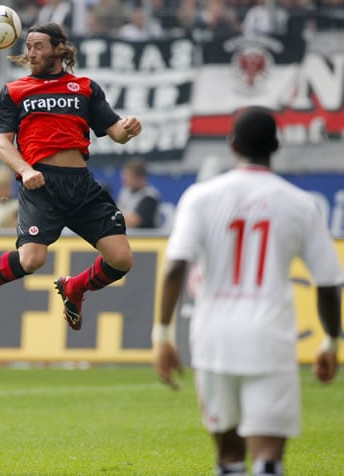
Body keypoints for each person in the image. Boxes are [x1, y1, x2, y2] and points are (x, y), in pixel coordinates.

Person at [153, 107, 342, 476]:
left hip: (213, 338)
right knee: (269, 457)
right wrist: (330, 343)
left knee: (228, 457)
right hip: (270, 338)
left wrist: (162, 334)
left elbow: (176, 265)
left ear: (232, 145)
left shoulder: (200, 197)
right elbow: (329, 284)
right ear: (276, 145)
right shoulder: (300, 204)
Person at [0, 22, 142, 331]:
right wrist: (25, 170)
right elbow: (2, 143)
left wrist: (128, 129)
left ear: (59, 49)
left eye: (38, 46)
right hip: (40, 183)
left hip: (81, 186)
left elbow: (115, 132)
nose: (31, 53)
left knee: (121, 260)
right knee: (31, 260)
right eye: (28, 47)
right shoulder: (14, 91)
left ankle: (76, 288)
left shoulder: (86, 88)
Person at [116, 157, 162, 229]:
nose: (124, 180)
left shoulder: (150, 197)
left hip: (146, 238)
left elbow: (136, 220)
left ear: (140, 178)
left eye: (128, 176)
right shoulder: (124, 192)